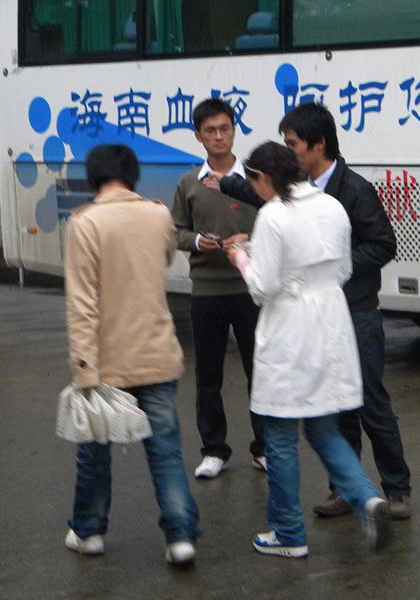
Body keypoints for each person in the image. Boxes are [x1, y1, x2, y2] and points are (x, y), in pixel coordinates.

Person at [219, 102, 412, 519]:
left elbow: (383, 245)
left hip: (355, 309)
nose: (288, 152)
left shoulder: (352, 190)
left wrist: (324, 272)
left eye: (293, 144)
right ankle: (346, 491)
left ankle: (396, 490)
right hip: (322, 313)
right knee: (335, 408)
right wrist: (226, 182)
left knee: (370, 402)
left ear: (318, 144)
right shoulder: (298, 191)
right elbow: (265, 197)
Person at [64, 144, 199, 565]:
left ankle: (89, 532)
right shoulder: (158, 215)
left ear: (93, 177)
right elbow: (164, 260)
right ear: (132, 175)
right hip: (157, 354)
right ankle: (180, 538)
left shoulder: (85, 223)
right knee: (166, 452)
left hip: (106, 363)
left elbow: (82, 305)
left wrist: (83, 369)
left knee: (94, 453)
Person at [171, 98, 265, 479]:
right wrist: (198, 242)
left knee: (260, 371)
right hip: (206, 289)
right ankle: (214, 450)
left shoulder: (254, 180)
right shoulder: (189, 183)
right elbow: (175, 231)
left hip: (251, 288)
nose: (219, 136)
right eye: (210, 131)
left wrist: (249, 242)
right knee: (208, 375)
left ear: (234, 131)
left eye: (225, 128)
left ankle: (264, 448)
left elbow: (276, 223)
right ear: (198, 136)